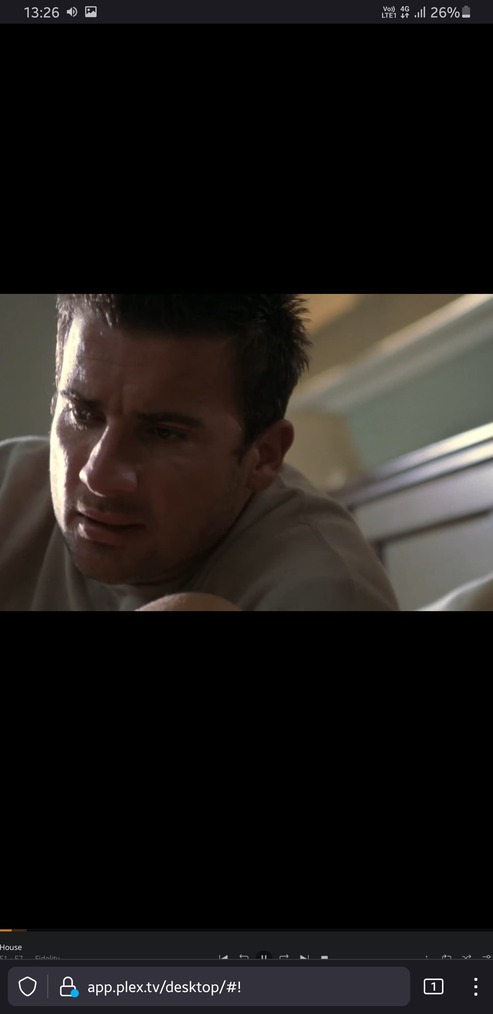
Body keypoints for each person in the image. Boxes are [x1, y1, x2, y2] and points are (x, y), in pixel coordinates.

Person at [0, 294, 399, 611]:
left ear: (264, 456)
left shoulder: (323, 594)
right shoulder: (7, 492)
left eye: (162, 433)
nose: (99, 476)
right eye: (83, 414)